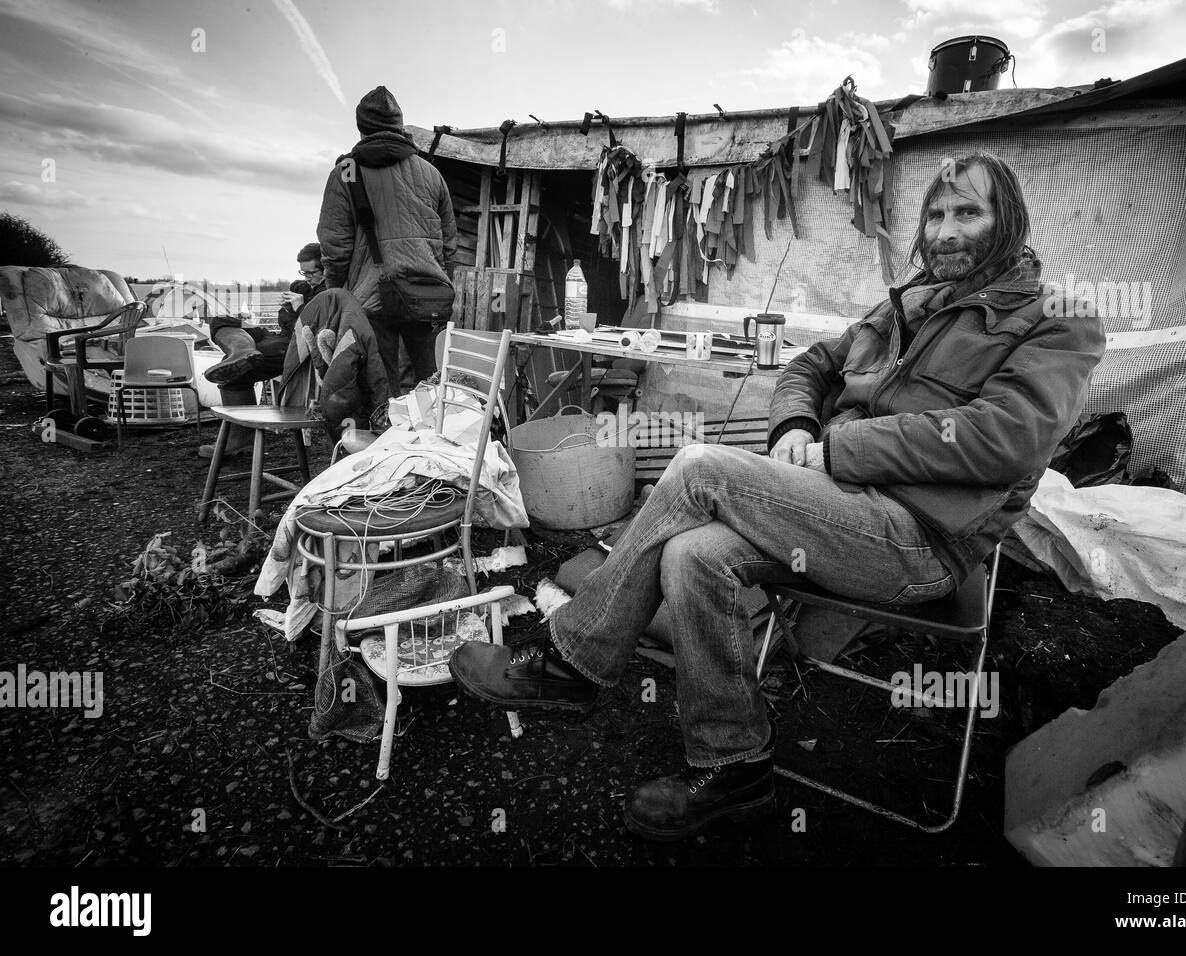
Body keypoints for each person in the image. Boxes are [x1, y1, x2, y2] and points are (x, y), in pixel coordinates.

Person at [449, 151, 1107, 841]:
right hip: (835, 505)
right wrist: (795, 423)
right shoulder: (909, 302)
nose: (945, 231)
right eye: (936, 214)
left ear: (1010, 221)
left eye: (968, 213)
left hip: (920, 541)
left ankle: (573, 662)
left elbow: (1002, 438)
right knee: (693, 556)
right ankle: (734, 764)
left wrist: (836, 449)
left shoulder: (1057, 318)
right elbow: (811, 364)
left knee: (699, 464)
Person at [317, 85, 458, 392]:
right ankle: (435, 435)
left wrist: (338, 294)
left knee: (382, 389)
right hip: (428, 296)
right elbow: (449, 244)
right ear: (399, 125)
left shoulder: (347, 172)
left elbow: (335, 246)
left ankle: (386, 436)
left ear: (361, 127)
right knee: (434, 386)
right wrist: (442, 280)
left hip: (372, 298)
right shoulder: (431, 173)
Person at [200, 243, 326, 457]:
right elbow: (285, 322)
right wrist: (287, 307)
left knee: (236, 374)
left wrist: (300, 307)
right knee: (221, 321)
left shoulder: (331, 291)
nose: (307, 277)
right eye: (303, 272)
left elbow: (316, 331)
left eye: (311, 272)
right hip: (280, 337)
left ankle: (239, 440)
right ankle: (240, 352)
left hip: (298, 345)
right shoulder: (300, 287)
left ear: (325, 268)